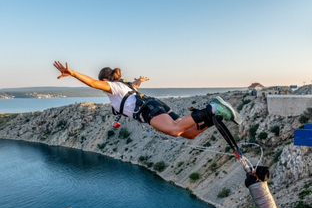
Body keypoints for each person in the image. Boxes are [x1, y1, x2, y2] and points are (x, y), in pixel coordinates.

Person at [53, 61, 242, 139]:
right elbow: (134, 85)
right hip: (156, 105)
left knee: (176, 131)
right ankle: (212, 118)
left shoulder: (112, 87)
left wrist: (72, 73)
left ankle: (212, 108)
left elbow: (93, 83)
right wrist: (139, 81)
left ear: (105, 80)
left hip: (148, 110)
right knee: (189, 133)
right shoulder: (125, 85)